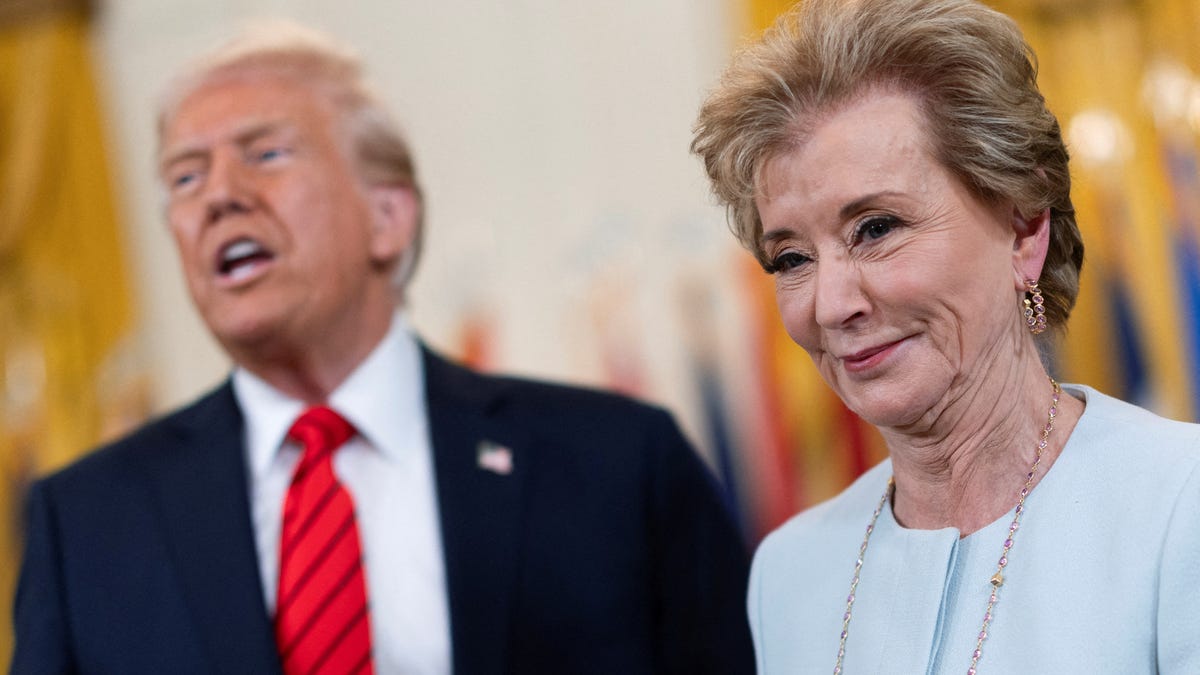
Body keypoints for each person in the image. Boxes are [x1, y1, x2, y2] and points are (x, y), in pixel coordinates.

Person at [11, 21, 755, 675]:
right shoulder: (84, 523)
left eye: (264, 153)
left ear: (388, 217)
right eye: (184, 175)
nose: (218, 195)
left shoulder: (617, 464)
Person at [691, 0, 1200, 672]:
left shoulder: (1179, 502)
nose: (832, 303)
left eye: (876, 228)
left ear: (1023, 230)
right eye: (791, 258)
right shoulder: (788, 572)